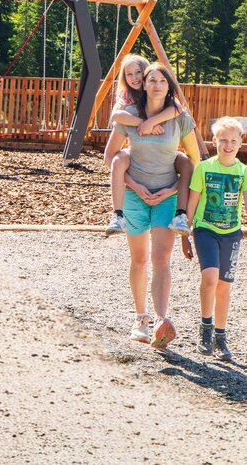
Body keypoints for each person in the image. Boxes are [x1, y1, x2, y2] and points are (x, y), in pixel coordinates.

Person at [104, 62, 200, 349]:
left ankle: (160, 321)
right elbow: (111, 157)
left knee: (161, 258)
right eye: (151, 80)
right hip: (135, 195)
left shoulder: (180, 118)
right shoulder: (130, 114)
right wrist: (135, 185)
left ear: (169, 86)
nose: (157, 85)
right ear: (143, 85)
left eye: (162, 81)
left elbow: (193, 162)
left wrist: (172, 189)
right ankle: (141, 319)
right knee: (139, 259)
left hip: (167, 196)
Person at [105, 54, 194, 237]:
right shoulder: (126, 97)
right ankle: (117, 215)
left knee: (185, 162)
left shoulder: (165, 97)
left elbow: (178, 109)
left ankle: (181, 214)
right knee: (119, 159)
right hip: (137, 156)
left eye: (138, 72)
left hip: (163, 168)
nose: (135, 78)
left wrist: (152, 122)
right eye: (129, 74)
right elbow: (115, 116)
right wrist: (143, 124)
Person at [182, 117, 247, 362]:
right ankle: (205, 327)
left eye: (233, 141)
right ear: (214, 142)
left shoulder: (243, 172)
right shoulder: (204, 168)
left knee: (224, 285)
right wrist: (185, 235)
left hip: (231, 233)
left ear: (240, 143)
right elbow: (192, 203)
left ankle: (220, 335)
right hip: (205, 230)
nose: (228, 145)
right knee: (209, 277)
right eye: (223, 140)